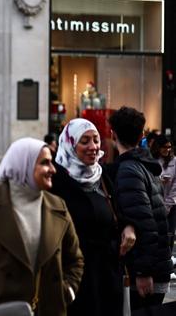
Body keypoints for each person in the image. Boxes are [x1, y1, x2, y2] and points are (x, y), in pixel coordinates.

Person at [0, 138, 84, 316]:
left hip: (49, 308)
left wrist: (67, 290)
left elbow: (75, 259)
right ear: (24, 165)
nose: (53, 169)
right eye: (45, 163)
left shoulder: (57, 206)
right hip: (3, 308)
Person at [50, 118, 136, 316]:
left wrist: (129, 227)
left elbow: (120, 212)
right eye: (85, 141)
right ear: (70, 144)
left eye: (96, 140)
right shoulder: (56, 180)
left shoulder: (102, 175)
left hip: (107, 275)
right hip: (74, 279)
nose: (93, 147)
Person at [106, 107, 172, 310]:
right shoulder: (145, 165)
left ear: (112, 134)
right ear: (142, 135)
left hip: (146, 275)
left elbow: (144, 223)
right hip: (156, 267)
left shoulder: (129, 170)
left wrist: (143, 273)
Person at [150, 135, 176, 255]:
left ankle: (169, 258)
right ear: (158, 147)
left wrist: (168, 205)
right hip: (154, 203)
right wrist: (159, 180)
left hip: (171, 203)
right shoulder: (151, 160)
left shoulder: (174, 161)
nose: (167, 150)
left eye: (169, 147)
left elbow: (175, 187)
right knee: (155, 233)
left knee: (169, 233)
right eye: (164, 147)